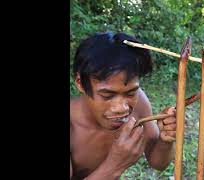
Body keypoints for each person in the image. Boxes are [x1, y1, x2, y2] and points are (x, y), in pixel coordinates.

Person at [70, 32, 176, 180]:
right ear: (80, 83)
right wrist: (115, 164)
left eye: (131, 93)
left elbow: (158, 163)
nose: (122, 107)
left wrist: (165, 141)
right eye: (107, 95)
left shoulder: (140, 102)